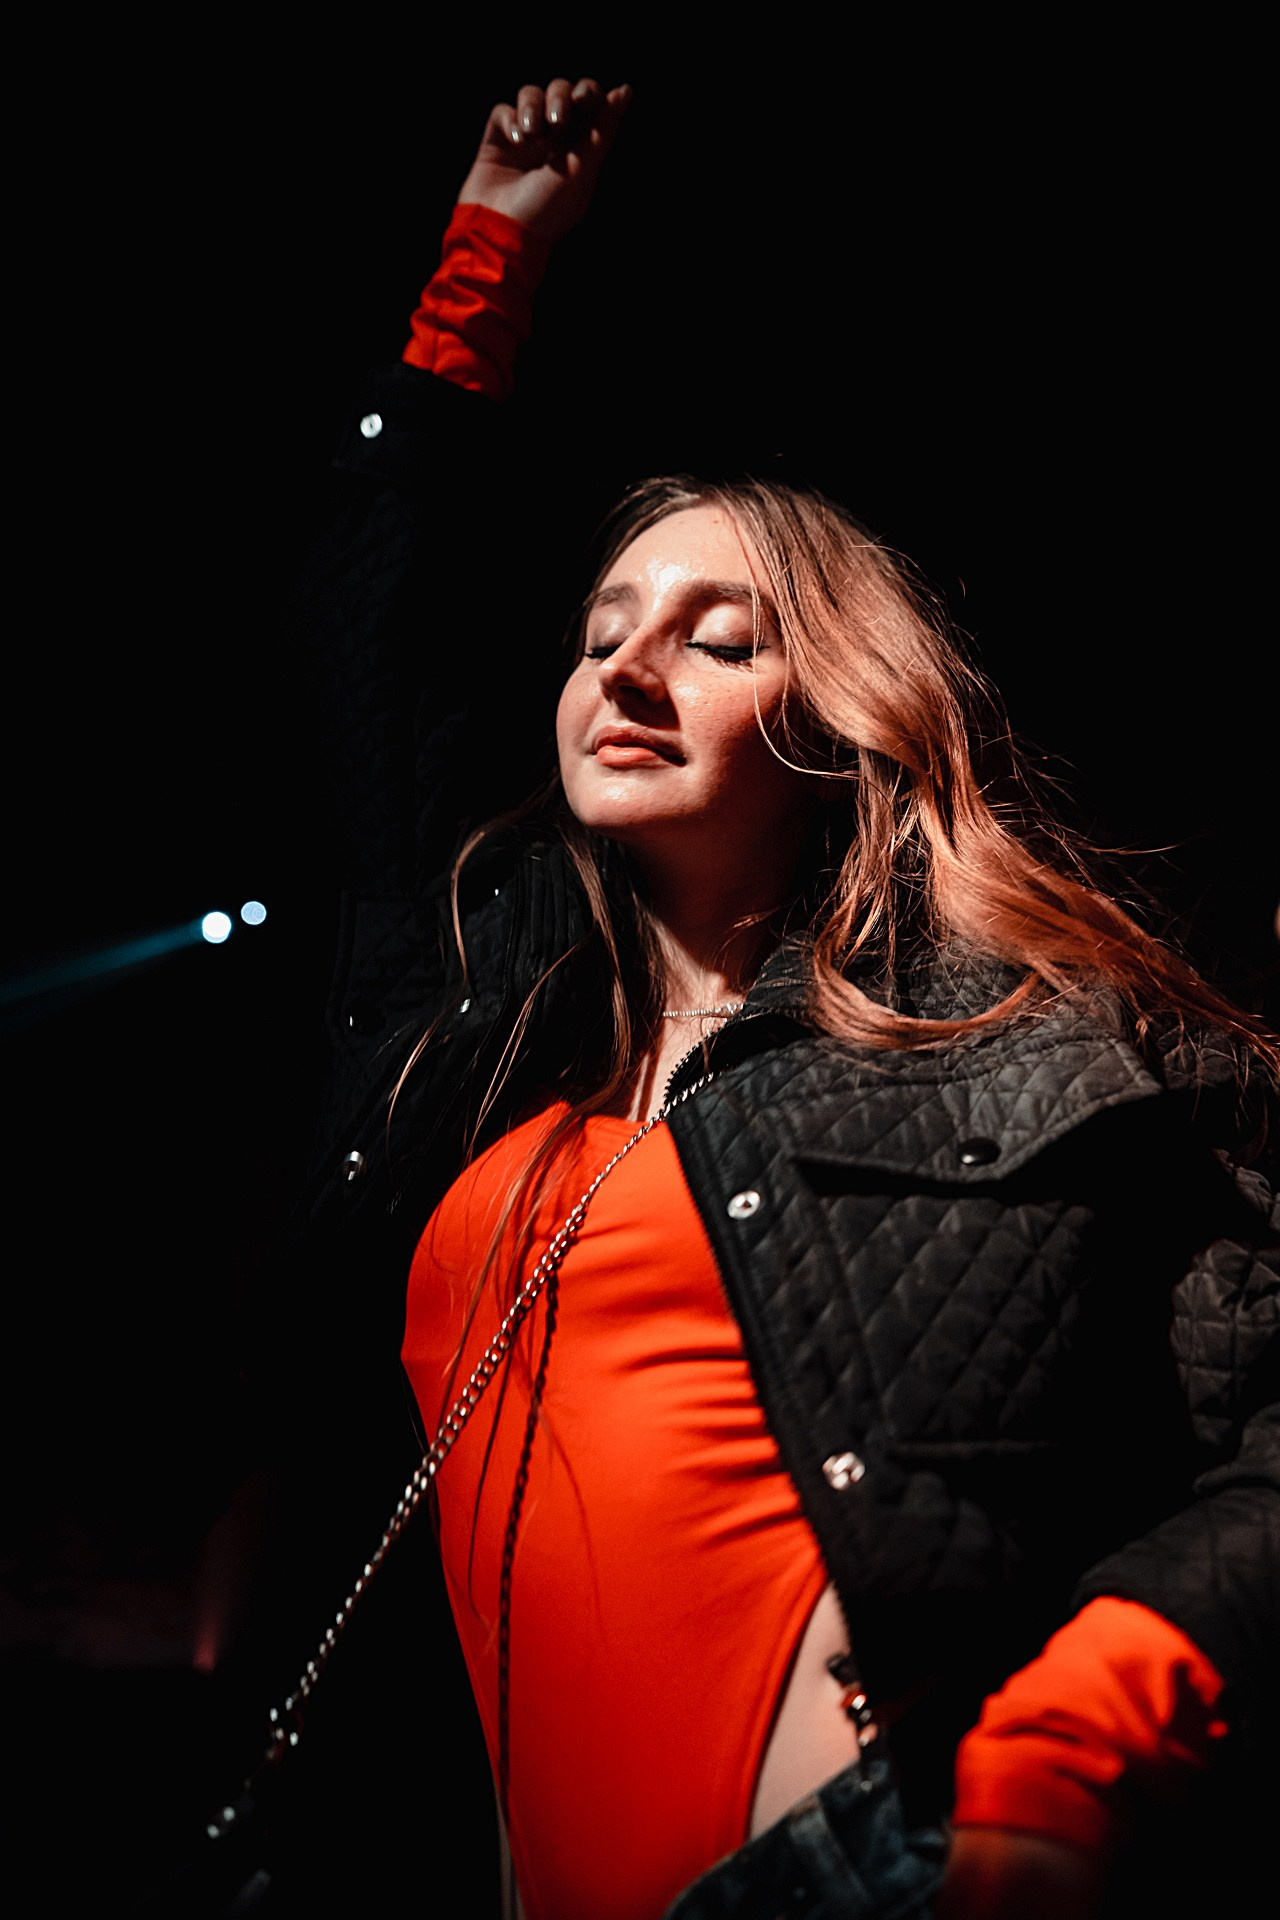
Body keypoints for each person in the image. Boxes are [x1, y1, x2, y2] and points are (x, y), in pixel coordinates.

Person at [281, 76, 1279, 1920]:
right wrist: (487, 249)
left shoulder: (1015, 1044)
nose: (630, 667)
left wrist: (1075, 1744)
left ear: (836, 721)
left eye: (719, 638)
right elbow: (371, 624)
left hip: (871, 1866)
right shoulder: (481, 1044)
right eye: (602, 634)